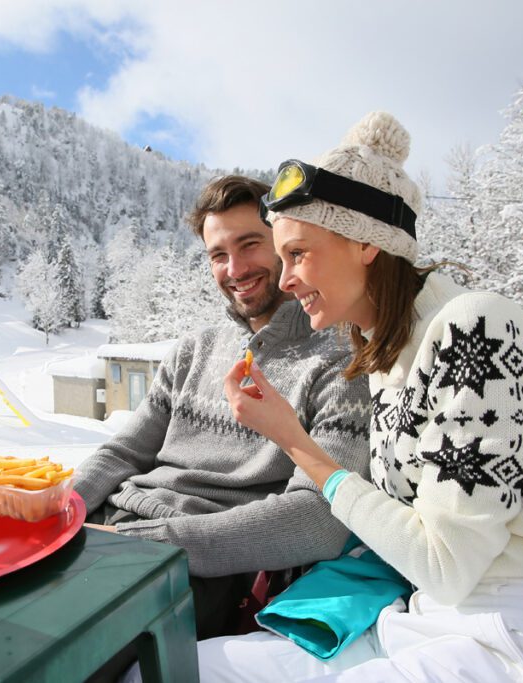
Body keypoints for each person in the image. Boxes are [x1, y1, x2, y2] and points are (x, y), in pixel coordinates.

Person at [199, 112, 523, 681]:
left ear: (366, 244)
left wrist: (296, 443)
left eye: (299, 254)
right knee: (192, 665)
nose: (284, 280)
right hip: (429, 618)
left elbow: (446, 562)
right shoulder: (391, 354)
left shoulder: (476, 328)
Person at [74, 175, 371, 640]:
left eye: (250, 244)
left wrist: (148, 546)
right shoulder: (193, 351)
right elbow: (124, 453)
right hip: (111, 527)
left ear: (285, 245)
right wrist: (62, 508)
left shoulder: (340, 365)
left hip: (199, 561)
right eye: (218, 254)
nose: (234, 268)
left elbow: (319, 518)